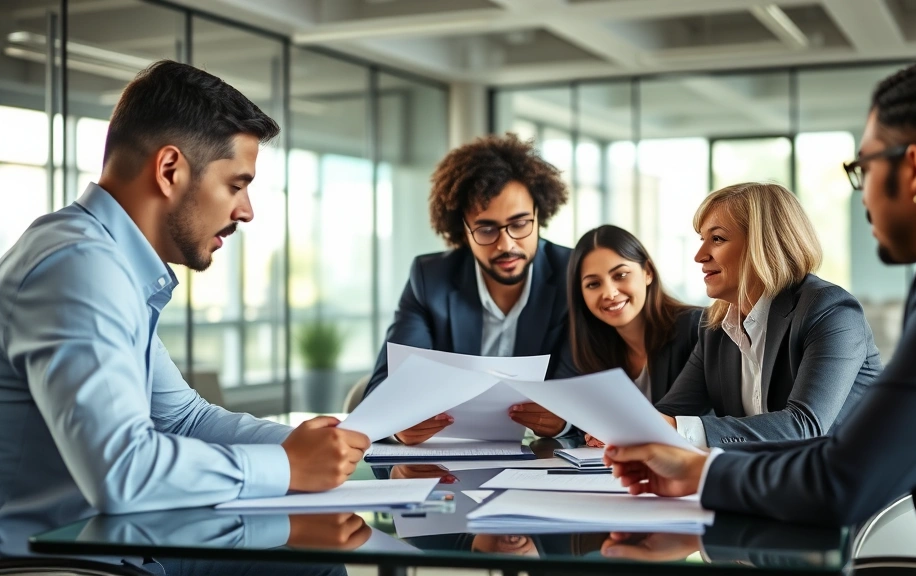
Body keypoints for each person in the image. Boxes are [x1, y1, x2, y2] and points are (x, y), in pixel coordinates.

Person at [604, 49, 916, 572]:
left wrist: (701, 471)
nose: (862, 193)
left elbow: (843, 473)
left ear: (913, 168)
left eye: (861, 168)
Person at [0, 60, 369, 535]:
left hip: (116, 543)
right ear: (170, 169)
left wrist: (328, 447)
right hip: (59, 563)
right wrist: (288, 467)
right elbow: (123, 472)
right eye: (236, 185)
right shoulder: (80, 268)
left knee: (305, 554)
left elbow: (183, 418)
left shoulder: (106, 260)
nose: (247, 211)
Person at [364, 133, 576, 444]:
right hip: (449, 464)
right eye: (487, 229)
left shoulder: (573, 276)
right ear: (462, 230)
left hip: (544, 462)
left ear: (540, 215)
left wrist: (565, 423)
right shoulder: (430, 278)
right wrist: (397, 424)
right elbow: (385, 389)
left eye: (519, 224)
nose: (507, 244)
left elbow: (589, 389)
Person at [654, 182, 881, 448]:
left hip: (854, 481)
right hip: (768, 478)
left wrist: (668, 426)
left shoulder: (830, 310)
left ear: (764, 244)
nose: (699, 255)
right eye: (702, 239)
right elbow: (670, 412)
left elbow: (804, 426)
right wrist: (619, 426)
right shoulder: (715, 326)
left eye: (717, 239)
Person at [564, 225, 702, 446]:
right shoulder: (592, 348)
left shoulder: (696, 328)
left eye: (620, 275)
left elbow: (707, 421)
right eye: (593, 284)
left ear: (647, 272)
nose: (609, 293)